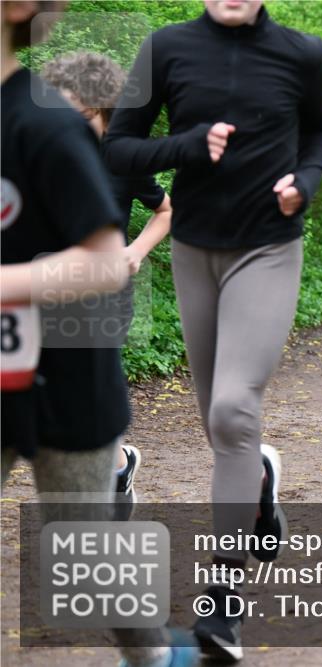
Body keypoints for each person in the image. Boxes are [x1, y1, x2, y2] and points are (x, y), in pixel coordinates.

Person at [104, 0, 322, 660]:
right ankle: (257, 478)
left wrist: (307, 182)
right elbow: (119, 146)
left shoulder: (302, 53)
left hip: (268, 247)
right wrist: (187, 145)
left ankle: (223, 603)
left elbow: (320, 134)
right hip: (195, 249)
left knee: (234, 411)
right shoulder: (164, 48)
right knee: (220, 424)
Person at [1, 2, 196, 666]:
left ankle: (156, 653)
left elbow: (109, 255)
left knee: (82, 554)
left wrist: (131, 253)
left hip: (74, 358)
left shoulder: (50, 131)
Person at [41, 50, 175, 520]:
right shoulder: (42, 150)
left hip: (104, 291)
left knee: (87, 389)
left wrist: (135, 252)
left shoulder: (123, 158)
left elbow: (165, 211)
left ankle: (108, 468)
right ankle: (118, 463)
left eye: (81, 108)